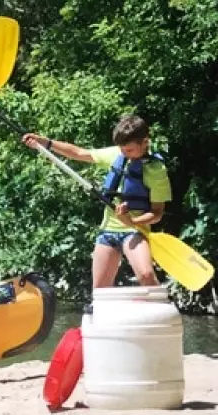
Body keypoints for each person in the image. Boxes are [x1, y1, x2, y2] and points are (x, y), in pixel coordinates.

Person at [22, 114, 170, 289]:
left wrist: (132, 220)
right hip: (108, 231)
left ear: (145, 142)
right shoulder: (116, 154)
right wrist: (45, 142)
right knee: (100, 290)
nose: (125, 154)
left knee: (146, 275)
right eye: (122, 149)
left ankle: (160, 301)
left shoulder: (156, 170)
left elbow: (157, 214)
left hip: (135, 231)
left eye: (129, 150)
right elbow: (78, 153)